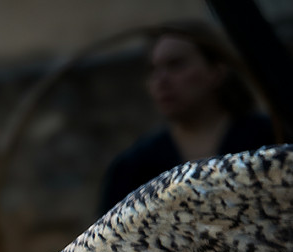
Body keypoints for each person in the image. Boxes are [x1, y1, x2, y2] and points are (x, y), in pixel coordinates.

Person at [98, 19, 276, 214]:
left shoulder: (268, 140)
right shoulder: (133, 167)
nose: (161, 80)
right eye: (153, 69)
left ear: (216, 71)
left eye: (176, 65)